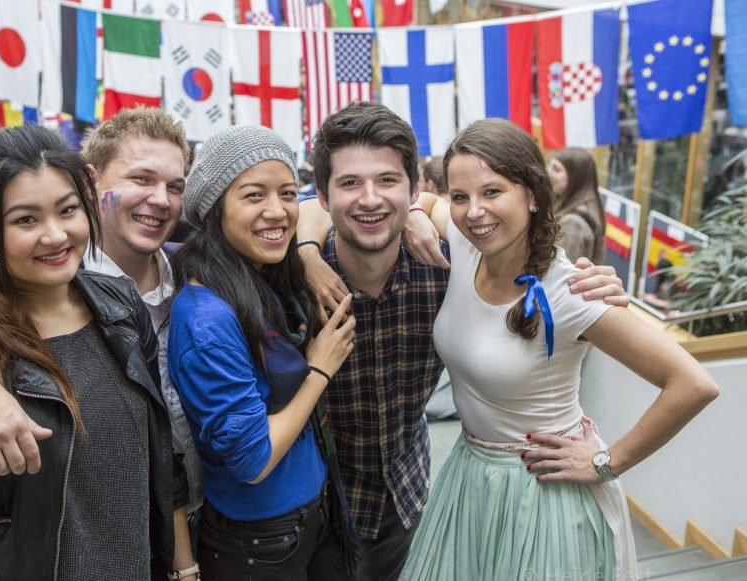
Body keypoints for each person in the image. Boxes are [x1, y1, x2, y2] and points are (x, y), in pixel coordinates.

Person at [294, 102, 629, 581]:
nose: (370, 198)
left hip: (405, 500)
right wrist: (306, 254)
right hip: (309, 509)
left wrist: (586, 287)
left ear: (414, 189)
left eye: (387, 180)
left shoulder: (447, 268)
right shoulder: (293, 284)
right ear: (324, 197)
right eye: (350, 183)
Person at [399, 118, 718, 580]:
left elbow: (693, 383)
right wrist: (414, 213)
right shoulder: (468, 246)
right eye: (461, 196)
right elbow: (428, 203)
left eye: (492, 192)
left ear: (532, 194)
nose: (473, 211)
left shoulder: (572, 292)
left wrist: (608, 462)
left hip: (542, 492)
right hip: (471, 477)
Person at [0, 107, 205, 518]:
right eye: (141, 179)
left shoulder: (193, 275)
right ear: (91, 182)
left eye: (174, 186)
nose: (160, 199)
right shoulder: (38, 274)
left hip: (197, 520)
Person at [168, 125, 358, 580]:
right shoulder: (207, 321)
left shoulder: (263, 277)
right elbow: (253, 459)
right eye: (254, 195)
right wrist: (319, 369)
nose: (277, 211)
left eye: (287, 193)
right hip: (261, 540)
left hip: (309, 515)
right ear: (215, 207)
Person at [549, 147, 607, 265]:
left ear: (575, 176)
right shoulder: (589, 202)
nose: (550, 175)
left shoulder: (573, 223)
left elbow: (562, 270)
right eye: (551, 168)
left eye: (557, 170)